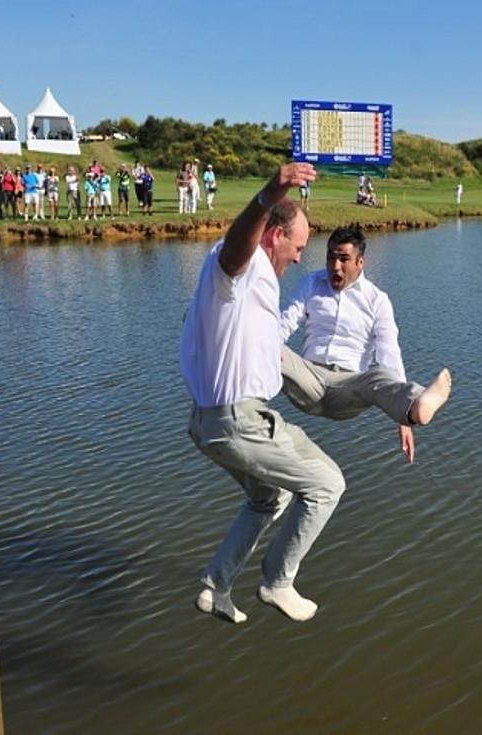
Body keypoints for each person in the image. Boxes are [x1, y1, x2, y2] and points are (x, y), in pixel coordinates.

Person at [183, 162, 337, 624]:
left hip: (211, 421)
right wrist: (271, 192)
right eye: (298, 247)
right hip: (238, 420)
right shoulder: (238, 267)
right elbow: (236, 246)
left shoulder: (256, 284)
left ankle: (216, 586)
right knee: (328, 485)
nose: (298, 258)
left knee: (270, 498)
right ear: (274, 236)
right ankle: (278, 581)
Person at [280, 226, 452, 465]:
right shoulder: (311, 283)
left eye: (343, 259)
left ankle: (415, 406)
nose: (335, 266)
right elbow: (287, 320)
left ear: (360, 262)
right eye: (331, 257)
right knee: (270, 346)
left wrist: (402, 419)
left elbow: (389, 353)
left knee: (379, 375)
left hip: (348, 387)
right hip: (309, 379)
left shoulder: (377, 301)